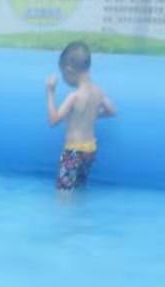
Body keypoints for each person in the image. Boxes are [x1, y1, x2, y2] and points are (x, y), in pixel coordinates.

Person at [45, 41, 115, 193]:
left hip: (73, 152)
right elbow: (111, 111)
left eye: (63, 75)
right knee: (79, 189)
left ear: (69, 70)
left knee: (63, 192)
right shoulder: (98, 92)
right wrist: (93, 115)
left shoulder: (74, 96)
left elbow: (53, 120)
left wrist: (50, 92)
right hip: (90, 150)